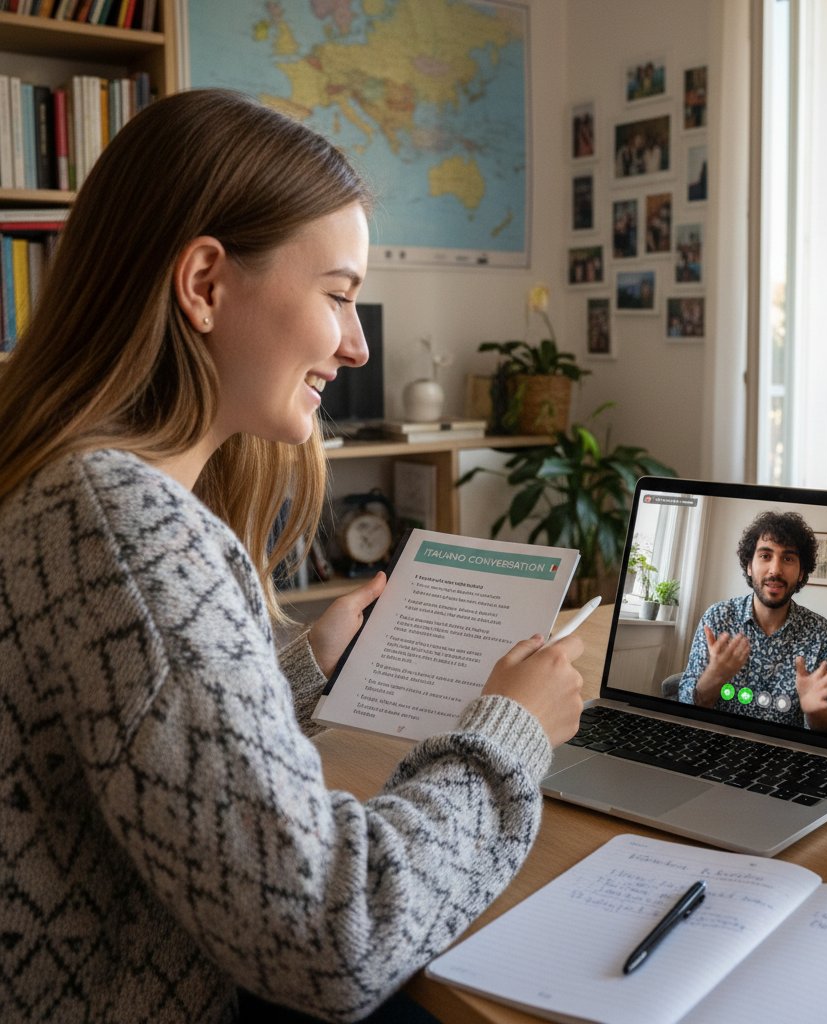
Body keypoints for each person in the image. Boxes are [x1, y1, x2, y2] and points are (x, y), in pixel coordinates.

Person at [0, 89, 585, 1024]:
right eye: (340, 296)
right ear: (203, 285)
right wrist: (507, 733)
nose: (356, 346)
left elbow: (134, 745)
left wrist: (297, 669)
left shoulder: (80, 489)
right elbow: (331, 935)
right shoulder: (126, 522)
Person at [669, 511, 827, 735]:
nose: (775, 570)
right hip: (715, 748)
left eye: (788, 558)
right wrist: (711, 680)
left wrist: (814, 710)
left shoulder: (820, 633)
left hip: (786, 757)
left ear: (801, 573)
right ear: (749, 566)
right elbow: (685, 710)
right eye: (765, 556)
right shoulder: (718, 618)